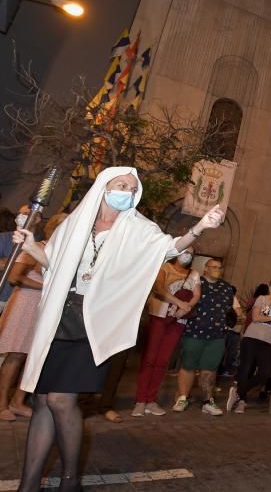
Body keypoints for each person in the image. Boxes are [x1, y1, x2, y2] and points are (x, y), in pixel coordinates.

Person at [11, 166, 224, 492]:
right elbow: (53, 261)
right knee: (42, 400)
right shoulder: (75, 221)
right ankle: (29, 484)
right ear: (103, 187)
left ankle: (70, 479)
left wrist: (199, 227)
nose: (126, 190)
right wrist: (29, 245)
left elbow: (170, 247)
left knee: (60, 401)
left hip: (92, 323)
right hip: (58, 317)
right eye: (120, 184)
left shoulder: (136, 227)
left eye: (131, 186)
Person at [0, 209, 65, 421]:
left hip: (44, 307)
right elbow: (14, 277)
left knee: (32, 356)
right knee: (16, 354)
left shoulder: (62, 254)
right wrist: (47, 286)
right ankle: (2, 405)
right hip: (26, 302)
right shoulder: (37, 247)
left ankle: (17, 402)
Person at [132, 246, 200, 417]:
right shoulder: (164, 267)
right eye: (185, 251)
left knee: (163, 360)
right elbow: (159, 289)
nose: (187, 255)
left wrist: (186, 307)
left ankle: (151, 400)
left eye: (191, 254)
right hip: (159, 315)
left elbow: (196, 295)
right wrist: (180, 302)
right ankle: (140, 400)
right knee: (149, 358)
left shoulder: (194, 274)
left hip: (178, 320)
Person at [172, 258, 235, 416]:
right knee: (188, 366)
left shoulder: (227, 288)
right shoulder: (196, 283)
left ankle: (208, 402)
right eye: (213, 267)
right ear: (205, 269)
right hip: (194, 331)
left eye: (219, 268)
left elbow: (230, 309)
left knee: (210, 368)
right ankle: (182, 397)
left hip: (217, 335)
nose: (217, 270)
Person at [226, 275, 271, 414]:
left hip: (268, 342)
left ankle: (238, 391)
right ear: (269, 285)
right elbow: (255, 317)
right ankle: (242, 401)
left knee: (264, 373)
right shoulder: (261, 298)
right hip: (252, 337)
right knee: (245, 369)